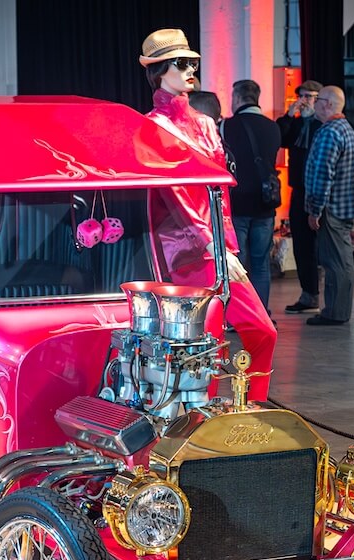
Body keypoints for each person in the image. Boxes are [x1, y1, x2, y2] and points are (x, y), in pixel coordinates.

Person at [139, 28, 276, 401]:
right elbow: (175, 196)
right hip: (186, 249)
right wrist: (212, 246)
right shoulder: (153, 126)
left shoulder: (203, 122)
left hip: (218, 244)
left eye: (192, 63)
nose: (190, 70)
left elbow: (219, 189)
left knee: (262, 330)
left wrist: (225, 245)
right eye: (181, 63)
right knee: (205, 341)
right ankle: (202, 414)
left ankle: (252, 405)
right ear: (159, 70)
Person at [222, 79, 282, 314]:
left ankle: (239, 315)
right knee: (261, 264)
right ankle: (261, 313)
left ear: (237, 98)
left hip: (237, 203)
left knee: (237, 265)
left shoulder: (227, 126)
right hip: (265, 204)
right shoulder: (273, 127)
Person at [303, 86, 354, 327]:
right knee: (342, 260)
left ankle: (335, 312)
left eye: (317, 99)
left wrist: (315, 210)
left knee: (335, 262)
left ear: (328, 104)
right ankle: (338, 310)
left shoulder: (330, 132)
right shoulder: (345, 129)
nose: (314, 103)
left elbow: (323, 175)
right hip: (343, 206)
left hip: (331, 209)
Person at [277, 80, 323, 313]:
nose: (305, 101)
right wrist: (289, 115)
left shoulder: (324, 123)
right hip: (299, 189)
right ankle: (309, 294)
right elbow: (280, 138)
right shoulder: (295, 123)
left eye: (310, 96)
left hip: (320, 189)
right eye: (302, 96)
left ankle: (326, 296)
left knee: (322, 245)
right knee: (302, 244)